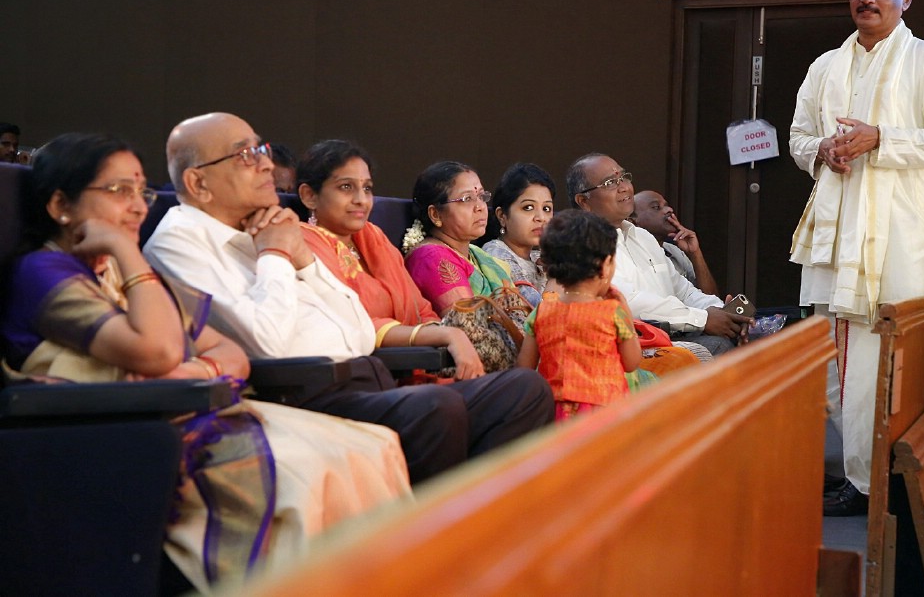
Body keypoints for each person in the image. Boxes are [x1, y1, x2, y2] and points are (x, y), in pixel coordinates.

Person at [0, 132, 410, 593]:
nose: (137, 206)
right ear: (61, 205)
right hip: (116, 432)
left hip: (187, 405)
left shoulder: (127, 273)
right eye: (120, 191)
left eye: (141, 190)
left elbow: (228, 356)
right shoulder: (44, 271)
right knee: (306, 474)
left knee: (372, 446)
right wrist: (126, 251)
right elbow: (156, 350)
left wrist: (186, 372)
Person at [144, 113, 553, 485]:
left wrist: (300, 259)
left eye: (262, 151)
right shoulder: (183, 241)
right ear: (198, 183)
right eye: (246, 155)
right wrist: (276, 254)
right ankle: (435, 540)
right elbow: (266, 342)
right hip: (303, 393)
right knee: (436, 407)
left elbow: (357, 327)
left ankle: (472, 516)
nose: (267, 164)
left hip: (365, 374)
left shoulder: (264, 230)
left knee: (524, 390)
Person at [789, 0, 924, 516]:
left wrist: (881, 140)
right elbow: (798, 136)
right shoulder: (825, 66)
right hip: (834, 239)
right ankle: (854, 475)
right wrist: (820, 150)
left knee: (877, 363)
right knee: (833, 360)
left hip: (896, 242)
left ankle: (878, 487)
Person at [294, 139, 484, 379]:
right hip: (361, 376)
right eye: (346, 187)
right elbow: (353, 324)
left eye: (367, 188)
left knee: (527, 385)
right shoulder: (303, 245)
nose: (361, 199)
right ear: (309, 195)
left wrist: (438, 334)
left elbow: (420, 308)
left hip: (419, 366)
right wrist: (445, 335)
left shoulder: (374, 238)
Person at [566, 152, 749, 357]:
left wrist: (723, 312)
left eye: (623, 177)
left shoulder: (643, 237)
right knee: (719, 347)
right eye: (610, 182)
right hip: (632, 345)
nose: (624, 187)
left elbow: (683, 291)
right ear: (583, 201)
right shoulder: (583, 243)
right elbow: (629, 302)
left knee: (753, 339)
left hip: (676, 333)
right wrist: (703, 319)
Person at [517, 210, 649, 421]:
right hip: (605, 413)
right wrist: (625, 311)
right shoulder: (612, 312)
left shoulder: (541, 313)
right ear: (606, 265)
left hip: (554, 413)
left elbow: (525, 368)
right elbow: (632, 362)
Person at [404, 160, 521, 316]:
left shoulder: (477, 255)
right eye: (467, 199)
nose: (480, 206)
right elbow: (469, 324)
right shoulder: (432, 258)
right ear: (435, 214)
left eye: (481, 196)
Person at [481, 162, 555, 306]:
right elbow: (533, 314)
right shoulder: (496, 255)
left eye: (547, 208)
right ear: (502, 216)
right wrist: (556, 276)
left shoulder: (540, 258)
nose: (541, 217)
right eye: (528, 207)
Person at [632, 190, 719, 296]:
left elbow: (711, 298)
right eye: (656, 207)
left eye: (667, 205)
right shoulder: (629, 257)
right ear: (633, 221)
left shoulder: (675, 252)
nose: (669, 210)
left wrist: (695, 253)